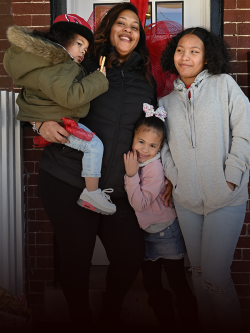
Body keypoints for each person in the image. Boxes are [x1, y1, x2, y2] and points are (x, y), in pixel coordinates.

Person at [8, 3, 158, 331]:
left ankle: (109, 311)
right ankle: (82, 321)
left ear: (140, 36)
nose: (129, 30)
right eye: (122, 22)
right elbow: (35, 94)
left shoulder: (147, 80)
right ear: (109, 28)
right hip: (67, 181)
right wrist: (38, 124)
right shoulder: (84, 63)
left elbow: (155, 131)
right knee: (75, 262)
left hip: (116, 190)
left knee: (131, 257)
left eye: (136, 25)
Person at [159, 27, 250, 333]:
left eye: (194, 51)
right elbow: (164, 149)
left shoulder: (224, 84)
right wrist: (177, 179)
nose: (185, 56)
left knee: (214, 275)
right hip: (187, 201)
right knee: (197, 271)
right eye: (181, 49)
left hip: (226, 198)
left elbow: (244, 131)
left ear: (207, 56)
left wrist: (232, 177)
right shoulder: (165, 102)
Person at [4, 14, 118, 215]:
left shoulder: (43, 62)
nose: (83, 51)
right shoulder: (61, 64)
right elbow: (70, 97)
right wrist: (99, 80)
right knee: (94, 146)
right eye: (79, 44)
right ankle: (92, 193)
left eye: (86, 48)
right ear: (63, 39)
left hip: (53, 120)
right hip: (61, 123)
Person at [124, 104, 198, 331]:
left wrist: (130, 174)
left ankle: (190, 323)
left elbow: (140, 202)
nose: (145, 149)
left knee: (177, 282)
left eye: (153, 145)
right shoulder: (138, 161)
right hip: (147, 235)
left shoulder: (153, 168)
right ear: (133, 139)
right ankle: (167, 323)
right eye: (141, 142)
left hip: (166, 233)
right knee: (151, 284)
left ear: (160, 148)